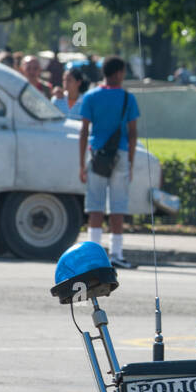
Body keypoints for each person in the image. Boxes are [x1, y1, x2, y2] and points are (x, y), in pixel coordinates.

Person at [78, 56, 140, 269]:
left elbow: (84, 131)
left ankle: (93, 256)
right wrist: (130, 162)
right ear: (118, 73)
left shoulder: (91, 97)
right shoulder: (127, 99)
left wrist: (81, 164)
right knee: (118, 207)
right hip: (120, 154)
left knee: (95, 206)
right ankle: (116, 254)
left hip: (96, 154)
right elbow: (132, 134)